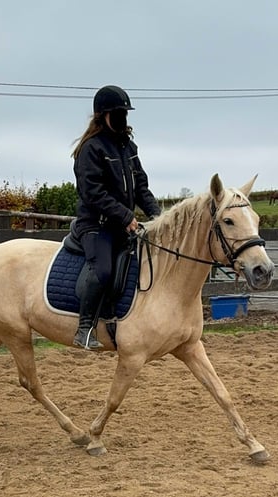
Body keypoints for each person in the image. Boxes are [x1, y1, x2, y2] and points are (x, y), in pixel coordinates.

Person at [70, 85, 161, 349]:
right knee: (103, 269)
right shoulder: (90, 149)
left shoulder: (129, 147)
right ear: (102, 116)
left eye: (124, 113)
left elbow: (141, 188)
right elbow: (92, 192)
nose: (123, 118)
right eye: (117, 113)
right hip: (95, 227)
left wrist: (159, 219)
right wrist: (124, 216)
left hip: (122, 226)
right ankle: (84, 328)